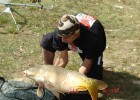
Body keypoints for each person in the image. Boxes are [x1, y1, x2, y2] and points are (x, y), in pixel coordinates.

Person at [40, 13, 106, 93]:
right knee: (48, 40)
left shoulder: (93, 39)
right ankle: (48, 70)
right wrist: (49, 78)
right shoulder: (61, 34)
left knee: (92, 79)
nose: (63, 40)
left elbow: (87, 62)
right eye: (61, 36)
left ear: (76, 34)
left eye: (66, 37)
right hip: (76, 38)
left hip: (92, 43)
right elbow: (62, 59)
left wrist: (76, 82)